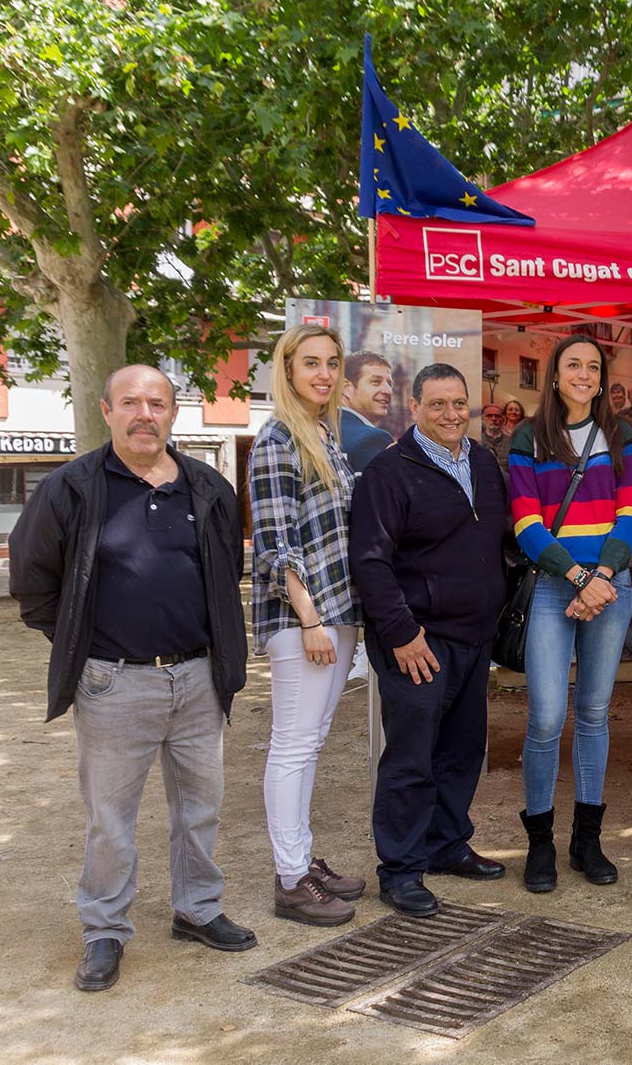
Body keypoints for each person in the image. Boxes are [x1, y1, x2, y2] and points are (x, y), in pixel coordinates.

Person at [9, 364, 254, 992]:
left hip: (199, 679)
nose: (144, 414)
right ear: (106, 410)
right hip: (114, 684)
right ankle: (104, 932)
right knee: (110, 820)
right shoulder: (72, 488)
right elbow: (33, 586)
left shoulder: (208, 488)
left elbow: (224, 578)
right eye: (130, 403)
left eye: (157, 402)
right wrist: (85, 648)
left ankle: (197, 910)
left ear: (175, 412)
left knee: (200, 809)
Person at [349, 363, 513, 917]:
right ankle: (399, 870)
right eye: (437, 404)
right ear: (414, 407)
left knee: (462, 752)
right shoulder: (388, 472)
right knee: (411, 758)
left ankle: (445, 846)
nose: (449, 414)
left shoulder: (485, 464)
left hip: (473, 637)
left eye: (458, 404)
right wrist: (401, 633)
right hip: (417, 643)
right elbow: (370, 561)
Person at [508, 334, 632, 892]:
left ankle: (588, 840)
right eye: (573, 366)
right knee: (544, 718)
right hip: (551, 587)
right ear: (555, 376)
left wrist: (603, 577)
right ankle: (541, 842)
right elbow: (525, 524)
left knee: (593, 712)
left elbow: (630, 514)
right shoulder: (528, 437)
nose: (584, 374)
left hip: (610, 587)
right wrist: (578, 578)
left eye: (593, 366)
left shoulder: (620, 433)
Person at [249, 324, 364, 927]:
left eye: (331, 363)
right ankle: (291, 880)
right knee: (293, 746)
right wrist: (311, 618)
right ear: (288, 368)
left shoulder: (324, 434)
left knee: (310, 742)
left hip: (335, 614)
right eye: (310, 362)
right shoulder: (276, 438)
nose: (322, 373)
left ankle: (300, 861)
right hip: (305, 618)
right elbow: (274, 544)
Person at [340, 352, 395, 473]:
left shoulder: (319, 427)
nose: (388, 390)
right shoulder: (373, 439)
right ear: (346, 388)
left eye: (389, 384)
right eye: (376, 382)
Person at [480, 402, 511, 471]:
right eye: (489, 415)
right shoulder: (476, 442)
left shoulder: (511, 442)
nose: (494, 418)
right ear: (482, 419)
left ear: (502, 420)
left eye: (497, 416)